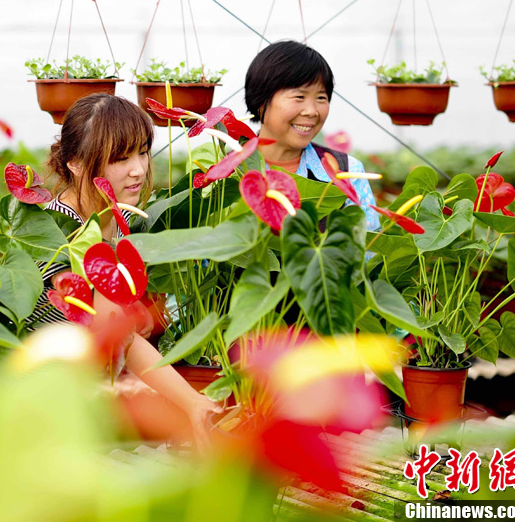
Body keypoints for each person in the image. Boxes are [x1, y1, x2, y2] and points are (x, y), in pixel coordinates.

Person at [29, 93, 221, 441]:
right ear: (74, 162)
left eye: (143, 152)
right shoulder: (56, 235)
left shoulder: (116, 219)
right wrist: (193, 404)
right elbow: (120, 336)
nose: (139, 169)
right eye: (120, 158)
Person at [245, 40, 380, 230]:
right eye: (299, 97)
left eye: (321, 98)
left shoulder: (346, 171)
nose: (312, 111)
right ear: (261, 102)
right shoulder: (230, 170)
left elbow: (369, 253)